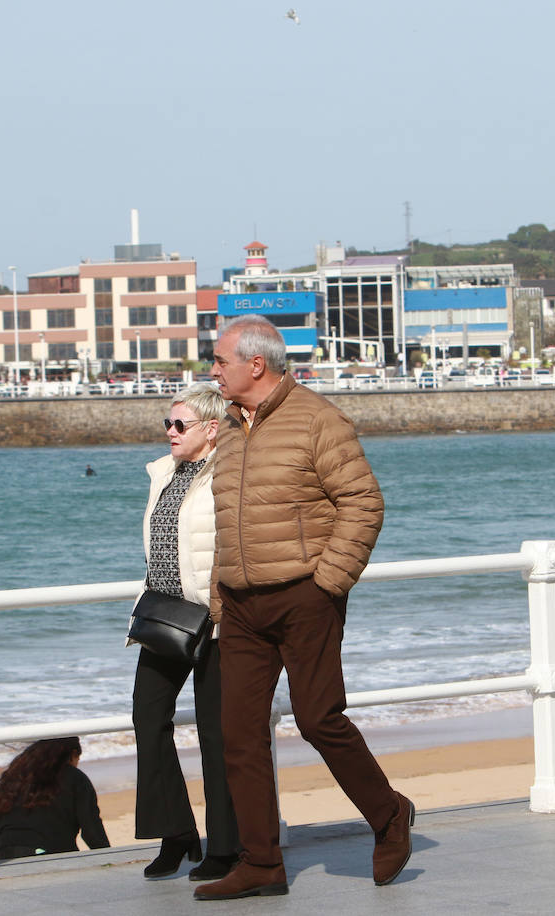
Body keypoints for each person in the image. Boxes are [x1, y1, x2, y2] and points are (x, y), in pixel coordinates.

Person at [194, 315, 414, 901]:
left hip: (304, 597)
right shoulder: (230, 429)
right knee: (236, 734)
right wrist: (221, 597)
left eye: (219, 361)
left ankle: (390, 815)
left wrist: (328, 583)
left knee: (319, 719)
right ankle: (261, 864)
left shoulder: (317, 419)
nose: (212, 371)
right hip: (241, 606)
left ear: (255, 365)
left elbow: (363, 502)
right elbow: (228, 521)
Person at [131, 383, 240, 881]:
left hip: (215, 622)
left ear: (211, 429)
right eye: (167, 424)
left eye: (180, 425)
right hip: (164, 617)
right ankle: (176, 834)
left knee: (217, 733)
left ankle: (226, 846)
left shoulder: (229, 472)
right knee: (147, 717)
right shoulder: (162, 473)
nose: (170, 433)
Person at [0, 736, 110, 862]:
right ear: (73, 754)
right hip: (50, 855)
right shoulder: (75, 778)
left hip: (6, 855)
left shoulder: (16, 776)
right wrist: (110, 860)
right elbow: (93, 833)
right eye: (78, 759)